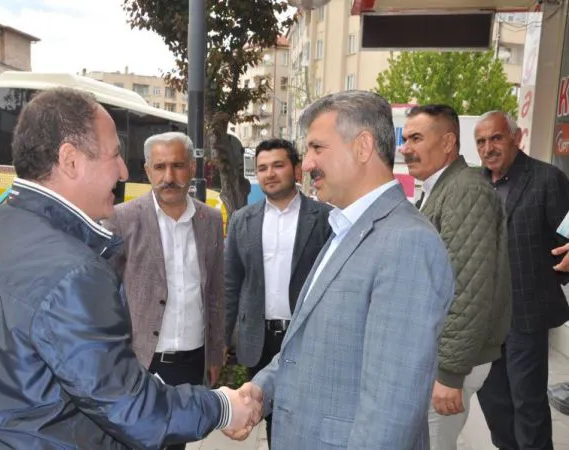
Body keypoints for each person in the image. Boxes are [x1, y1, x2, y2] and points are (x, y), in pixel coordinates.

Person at [0, 88, 260, 449]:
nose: (123, 171)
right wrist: (222, 406)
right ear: (71, 160)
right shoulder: (74, 273)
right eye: (115, 155)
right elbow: (133, 411)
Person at [227, 91, 455, 448]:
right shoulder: (344, 227)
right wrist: (261, 390)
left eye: (317, 148)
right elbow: (310, 345)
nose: (308, 163)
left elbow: (390, 411)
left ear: (362, 146)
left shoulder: (407, 242)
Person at [104, 131, 225, 450]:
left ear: (192, 168)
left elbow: (215, 291)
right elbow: (105, 293)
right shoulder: (122, 219)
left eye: (177, 166)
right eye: (160, 167)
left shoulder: (210, 219)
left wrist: (215, 352)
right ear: (147, 171)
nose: (168, 177)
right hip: (142, 359)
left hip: (192, 359)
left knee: (177, 443)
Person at [400, 104, 511, 450]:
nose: (405, 149)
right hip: (440, 356)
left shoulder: (465, 191)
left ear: (448, 142)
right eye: (405, 139)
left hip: (449, 363)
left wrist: (449, 373)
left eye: (416, 138)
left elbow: (467, 289)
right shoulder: (442, 188)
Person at [224, 138, 331, 447]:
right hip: (259, 339)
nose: (269, 174)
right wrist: (222, 340)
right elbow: (231, 283)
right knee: (270, 415)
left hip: (306, 335)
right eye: (262, 168)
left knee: (306, 414)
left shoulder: (324, 218)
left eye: (278, 165)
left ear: (296, 170)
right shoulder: (242, 220)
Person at [475, 111, 569, 450]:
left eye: (496, 138)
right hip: (483, 318)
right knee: (493, 401)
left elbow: (567, 233)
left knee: (527, 404)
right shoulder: (474, 184)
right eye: (481, 141)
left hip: (525, 313)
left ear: (517, 138)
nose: (488, 148)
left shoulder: (547, 179)